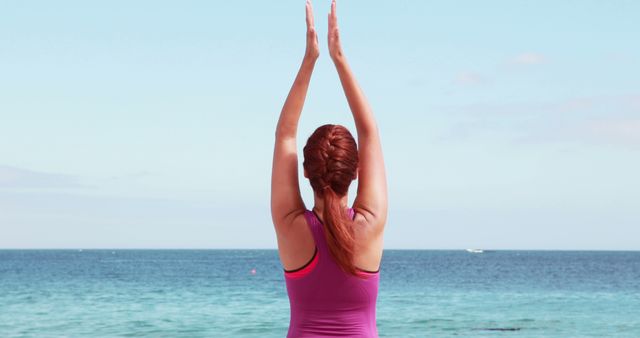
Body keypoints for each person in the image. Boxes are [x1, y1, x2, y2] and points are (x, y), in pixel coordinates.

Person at [270, 0, 387, 336]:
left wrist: (310, 61)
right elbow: (370, 132)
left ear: (305, 172)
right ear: (358, 170)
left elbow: (285, 136)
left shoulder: (292, 228)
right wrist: (340, 58)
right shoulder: (370, 226)